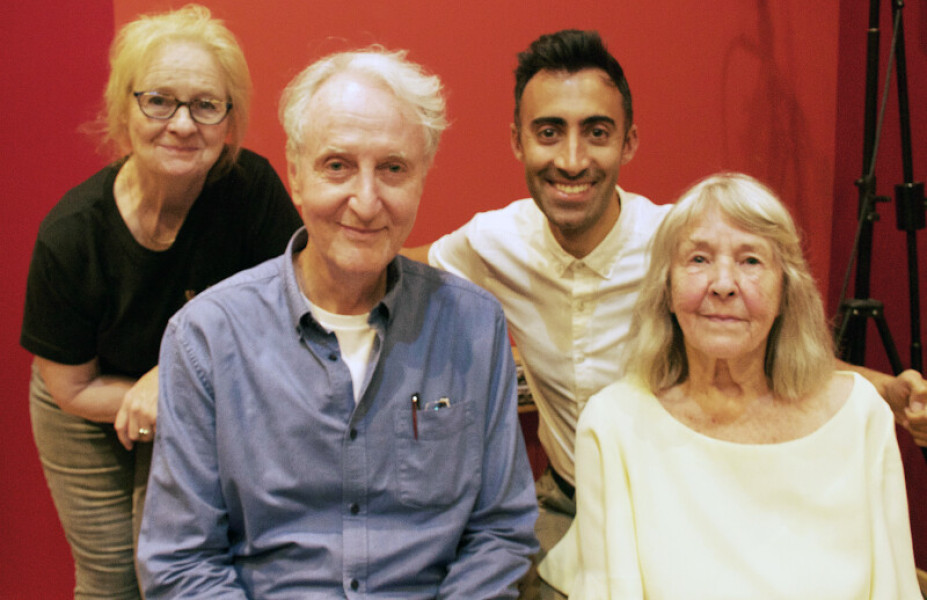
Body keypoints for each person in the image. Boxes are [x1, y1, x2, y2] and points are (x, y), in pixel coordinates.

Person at [406, 29, 927, 562]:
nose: (571, 159)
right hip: (567, 501)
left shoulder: (681, 248)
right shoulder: (493, 242)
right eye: (548, 132)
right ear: (518, 141)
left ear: (629, 142)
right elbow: (394, 267)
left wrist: (889, 391)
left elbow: (780, 353)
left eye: (597, 133)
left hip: (680, 497)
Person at [137, 47, 539, 598]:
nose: (367, 201)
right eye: (338, 166)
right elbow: (182, 561)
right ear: (296, 177)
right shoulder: (206, 337)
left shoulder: (474, 327)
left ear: (421, 178)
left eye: (393, 168)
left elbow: (500, 531)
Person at [19, 5, 302, 597]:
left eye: (205, 104)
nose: (181, 124)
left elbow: (290, 320)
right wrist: (154, 386)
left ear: (229, 119)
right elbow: (70, 387)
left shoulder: (251, 191)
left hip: (204, 397)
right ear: (126, 108)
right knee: (114, 577)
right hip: (89, 399)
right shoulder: (70, 235)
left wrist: (169, 381)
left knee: (185, 566)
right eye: (159, 101)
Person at [538, 173, 921, 599]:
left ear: (785, 292)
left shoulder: (859, 416)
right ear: (665, 287)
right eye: (698, 259)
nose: (723, 284)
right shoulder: (615, 426)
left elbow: (895, 589)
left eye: (751, 261)